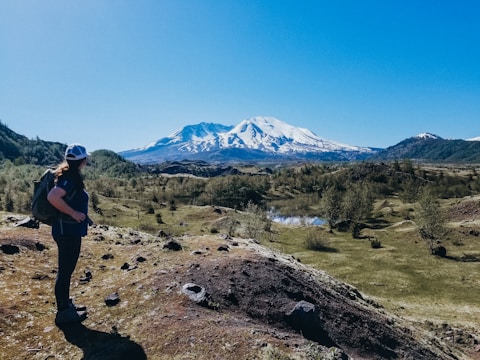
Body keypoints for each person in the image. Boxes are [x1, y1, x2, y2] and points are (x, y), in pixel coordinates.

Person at [47, 143, 90, 325]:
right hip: (67, 232)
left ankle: (66, 304)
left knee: (66, 270)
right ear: (83, 160)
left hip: (68, 230)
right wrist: (73, 213)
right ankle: (64, 312)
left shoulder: (68, 175)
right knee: (65, 271)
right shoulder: (69, 178)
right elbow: (53, 196)